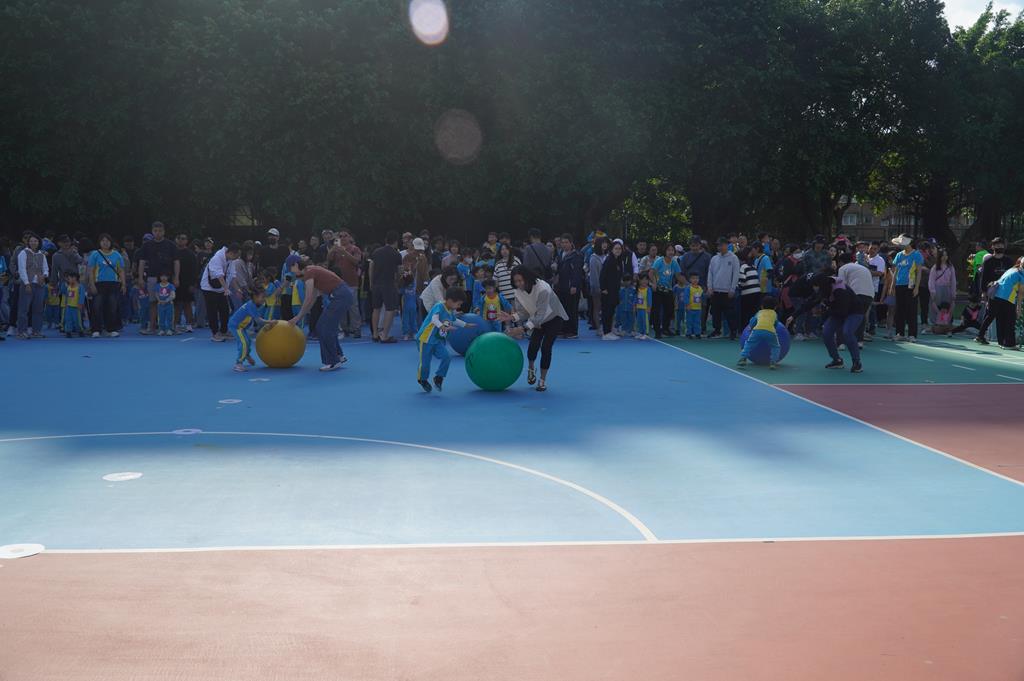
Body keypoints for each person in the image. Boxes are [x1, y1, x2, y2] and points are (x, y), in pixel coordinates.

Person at [498, 266, 568, 392]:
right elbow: (524, 312)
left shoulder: (543, 289)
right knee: (533, 346)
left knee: (546, 348)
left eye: (520, 280)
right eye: (515, 281)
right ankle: (531, 368)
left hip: (554, 318)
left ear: (527, 278)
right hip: (537, 320)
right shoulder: (518, 292)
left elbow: (540, 315)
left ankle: (542, 380)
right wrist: (512, 317)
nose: (518, 284)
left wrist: (522, 329)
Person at [287, 258, 355, 371]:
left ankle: (333, 361)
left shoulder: (309, 273)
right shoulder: (311, 271)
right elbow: (313, 298)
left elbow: (308, 298)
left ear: (296, 265)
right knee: (328, 327)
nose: (291, 271)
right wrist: (299, 317)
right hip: (342, 295)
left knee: (323, 327)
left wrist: (298, 317)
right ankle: (338, 356)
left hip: (340, 296)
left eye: (291, 268)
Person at [416, 287, 471, 393]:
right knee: (425, 363)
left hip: (437, 340)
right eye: (458, 304)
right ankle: (422, 379)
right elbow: (434, 319)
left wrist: (465, 325)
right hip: (426, 339)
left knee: (446, 357)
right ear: (450, 300)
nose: (459, 307)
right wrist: (442, 326)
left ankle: (439, 377)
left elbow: (454, 320)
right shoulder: (439, 306)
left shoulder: (450, 311)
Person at [137, 222, 179, 336]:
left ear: (164, 231)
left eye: (160, 231)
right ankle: (152, 327)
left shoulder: (170, 245)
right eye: (155, 231)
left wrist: (176, 277)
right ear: (152, 231)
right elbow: (142, 262)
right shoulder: (147, 245)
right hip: (152, 276)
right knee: (153, 302)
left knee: (170, 302)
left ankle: (171, 327)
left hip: (167, 277)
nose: (158, 233)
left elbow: (176, 262)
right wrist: (140, 278)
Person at [975, 256, 1024, 349]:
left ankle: (1001, 341)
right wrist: (1018, 307)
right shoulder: (1021, 274)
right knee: (1010, 320)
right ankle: (1009, 343)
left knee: (1000, 318)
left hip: (995, 295)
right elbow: (1021, 294)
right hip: (1006, 297)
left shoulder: (1012, 269)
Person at [86, 233, 126, 337]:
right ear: (99, 242)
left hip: (114, 284)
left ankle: (111, 329)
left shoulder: (117, 255)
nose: (105, 243)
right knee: (96, 306)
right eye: (103, 241)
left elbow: (121, 271)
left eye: (107, 241)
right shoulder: (95, 254)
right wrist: (91, 284)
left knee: (112, 306)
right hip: (99, 284)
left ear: (111, 242)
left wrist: (123, 284)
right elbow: (90, 271)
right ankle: (96, 329)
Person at [228, 287, 276, 372]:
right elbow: (258, 321)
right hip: (236, 327)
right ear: (255, 297)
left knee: (248, 341)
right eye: (262, 297)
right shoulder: (251, 305)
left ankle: (246, 355)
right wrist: (270, 322)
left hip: (241, 327)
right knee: (244, 343)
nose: (264, 299)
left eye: (264, 297)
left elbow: (257, 319)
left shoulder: (255, 305)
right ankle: (238, 363)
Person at [200, 242, 240, 342]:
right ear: (231, 253)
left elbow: (233, 275)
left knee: (225, 310)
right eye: (236, 255)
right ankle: (215, 333)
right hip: (209, 288)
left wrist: (237, 289)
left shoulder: (231, 260)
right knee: (212, 310)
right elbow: (219, 276)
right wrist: (226, 289)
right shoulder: (217, 258)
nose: (237, 258)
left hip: (221, 288)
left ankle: (224, 330)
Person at [328, 230, 363, 338]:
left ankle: (356, 328)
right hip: (339, 281)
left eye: (345, 236)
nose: (343, 238)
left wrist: (344, 252)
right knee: (341, 305)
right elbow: (329, 259)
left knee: (353, 306)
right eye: (340, 236)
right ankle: (343, 328)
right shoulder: (336, 249)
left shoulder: (355, 249)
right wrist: (333, 249)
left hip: (352, 281)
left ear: (349, 237)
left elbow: (356, 261)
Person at [369, 231, 403, 344]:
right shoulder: (396, 254)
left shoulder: (376, 252)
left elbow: (371, 267)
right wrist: (398, 281)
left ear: (386, 240)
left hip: (376, 283)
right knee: (390, 309)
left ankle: (375, 334)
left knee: (376, 308)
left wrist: (371, 282)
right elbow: (400, 271)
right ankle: (384, 334)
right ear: (396, 241)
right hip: (389, 283)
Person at [890, 234, 924, 342]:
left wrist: (916, 287)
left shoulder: (916, 254)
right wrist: (892, 286)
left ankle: (912, 334)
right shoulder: (899, 255)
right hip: (899, 285)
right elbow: (896, 271)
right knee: (899, 310)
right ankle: (899, 333)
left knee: (911, 310)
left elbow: (919, 272)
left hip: (911, 285)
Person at [836, 251, 874, 344]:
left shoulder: (843, 268)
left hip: (856, 294)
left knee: (844, 315)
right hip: (869, 295)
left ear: (841, 262)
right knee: (861, 317)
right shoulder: (863, 268)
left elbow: (841, 286)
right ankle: (859, 341)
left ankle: (841, 342)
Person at [16, 233, 47, 339]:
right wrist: (26, 283)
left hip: (39, 284)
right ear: (28, 242)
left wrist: (44, 275)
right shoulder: (23, 253)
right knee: (24, 309)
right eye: (31, 241)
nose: (33, 243)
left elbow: (46, 268)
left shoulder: (41, 254)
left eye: (36, 241)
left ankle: (36, 331)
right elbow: (22, 269)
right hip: (28, 283)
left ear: (39, 243)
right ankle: (21, 331)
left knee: (38, 309)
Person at [707, 237, 740, 339]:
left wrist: (732, 289)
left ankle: (733, 331)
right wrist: (710, 287)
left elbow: (736, 274)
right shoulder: (714, 258)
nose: (720, 247)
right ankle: (717, 330)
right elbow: (710, 273)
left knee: (730, 313)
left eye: (721, 245)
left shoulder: (733, 258)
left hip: (727, 291)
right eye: (718, 245)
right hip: (716, 290)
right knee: (715, 312)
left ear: (726, 245)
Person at [737, 296, 781, 369]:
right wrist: (774, 329)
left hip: (757, 330)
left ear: (762, 306)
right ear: (775, 307)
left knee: (749, 343)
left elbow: (753, 321)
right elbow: (776, 323)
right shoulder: (774, 313)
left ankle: (743, 358)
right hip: (770, 331)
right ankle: (773, 362)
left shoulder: (759, 312)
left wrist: (751, 328)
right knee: (775, 346)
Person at [553, 234, 583, 339]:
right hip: (561, 286)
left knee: (572, 309)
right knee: (562, 308)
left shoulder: (577, 255)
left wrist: (574, 285)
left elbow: (577, 272)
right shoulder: (560, 254)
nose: (564, 244)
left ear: (571, 243)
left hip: (571, 286)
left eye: (566, 242)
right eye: (562, 242)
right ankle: (562, 329)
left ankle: (572, 331)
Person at [651, 244, 681, 338]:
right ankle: (657, 331)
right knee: (656, 311)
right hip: (658, 289)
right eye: (668, 250)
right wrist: (654, 283)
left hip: (668, 289)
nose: (671, 252)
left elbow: (678, 275)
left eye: (672, 250)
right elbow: (651, 272)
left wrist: (687, 284)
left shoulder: (674, 262)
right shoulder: (659, 261)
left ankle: (665, 328)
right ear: (665, 251)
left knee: (669, 309)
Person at [599, 241, 624, 340]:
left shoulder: (618, 260)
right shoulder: (609, 260)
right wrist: (603, 288)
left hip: (614, 290)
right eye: (616, 248)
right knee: (607, 311)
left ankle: (609, 330)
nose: (618, 250)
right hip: (607, 291)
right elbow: (602, 275)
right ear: (612, 250)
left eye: (619, 249)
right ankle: (606, 333)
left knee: (611, 311)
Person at [173, 232, 197, 333]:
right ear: (176, 240)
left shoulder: (190, 254)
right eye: (179, 238)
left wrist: (192, 284)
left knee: (187, 304)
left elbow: (195, 270)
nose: (181, 240)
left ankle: (189, 324)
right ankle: (176, 324)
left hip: (187, 283)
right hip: (175, 282)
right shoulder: (173, 252)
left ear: (186, 241)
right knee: (176, 304)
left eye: (183, 238)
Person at [928, 249, 956, 331]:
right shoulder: (935, 267)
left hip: (947, 288)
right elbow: (931, 280)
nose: (944, 257)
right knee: (936, 305)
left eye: (946, 255)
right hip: (937, 288)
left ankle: (946, 322)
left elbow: (953, 280)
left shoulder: (950, 267)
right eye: (943, 255)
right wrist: (932, 291)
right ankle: (935, 323)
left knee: (947, 306)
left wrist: (953, 292)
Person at [737, 248, 761, 332]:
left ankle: (745, 330)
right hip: (757, 292)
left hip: (747, 293)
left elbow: (742, 281)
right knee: (754, 312)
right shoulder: (753, 266)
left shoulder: (743, 267)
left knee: (746, 313)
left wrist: (738, 285)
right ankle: (754, 329)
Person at [587, 238, 608, 332]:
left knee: (606, 308)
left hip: (607, 287)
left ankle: (607, 327)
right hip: (597, 287)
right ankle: (598, 327)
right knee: (597, 307)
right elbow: (594, 276)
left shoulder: (607, 256)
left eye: (606, 243)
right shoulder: (593, 258)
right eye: (603, 243)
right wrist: (598, 288)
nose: (605, 245)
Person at [60, 271, 87, 337]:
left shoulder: (80, 287)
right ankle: (68, 331)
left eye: (69, 279)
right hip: (68, 306)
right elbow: (64, 293)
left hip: (76, 307)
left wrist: (80, 303)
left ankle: (80, 330)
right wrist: (66, 305)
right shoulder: (68, 286)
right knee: (68, 319)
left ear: (74, 278)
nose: (68, 280)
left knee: (77, 320)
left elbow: (82, 296)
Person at [680, 272, 704, 339]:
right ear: (690, 279)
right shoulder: (688, 288)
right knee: (689, 321)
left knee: (697, 321)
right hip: (690, 308)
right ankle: (688, 333)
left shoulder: (700, 288)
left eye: (697, 278)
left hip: (698, 308)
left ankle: (697, 333)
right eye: (693, 278)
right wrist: (687, 304)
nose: (695, 280)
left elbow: (702, 296)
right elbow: (686, 297)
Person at [399, 270, 420, 341]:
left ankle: (407, 333)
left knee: (406, 320)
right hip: (412, 306)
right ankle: (412, 333)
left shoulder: (404, 287)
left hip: (407, 307)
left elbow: (399, 291)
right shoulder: (413, 285)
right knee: (412, 320)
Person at [634, 272, 653, 340]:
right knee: (639, 321)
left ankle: (646, 333)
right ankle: (640, 332)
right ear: (639, 280)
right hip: (639, 308)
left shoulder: (648, 289)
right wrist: (635, 306)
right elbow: (635, 298)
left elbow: (649, 299)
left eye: (646, 279)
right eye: (642, 279)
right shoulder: (637, 289)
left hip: (645, 309)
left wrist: (649, 307)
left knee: (645, 321)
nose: (644, 281)